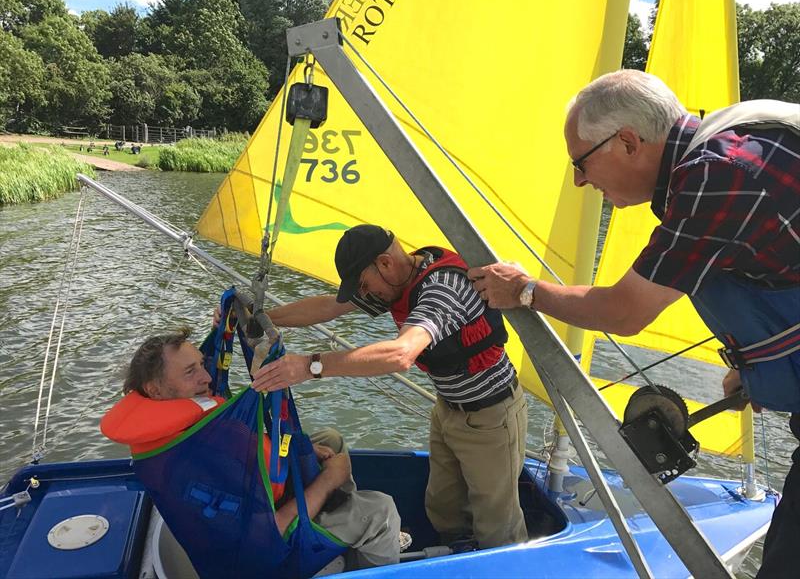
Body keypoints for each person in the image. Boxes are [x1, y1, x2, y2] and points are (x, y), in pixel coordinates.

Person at [467, 69, 799, 577]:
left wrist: (524, 291)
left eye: (580, 163)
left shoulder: (718, 177)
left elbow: (624, 312)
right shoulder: (738, 147)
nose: (580, 180)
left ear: (626, 142)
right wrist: (764, 367)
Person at [251, 224, 529, 550]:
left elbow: (402, 353)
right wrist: (260, 318)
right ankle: (458, 560)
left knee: (498, 527)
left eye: (366, 286)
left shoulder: (443, 289)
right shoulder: (397, 284)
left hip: (491, 416)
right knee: (443, 509)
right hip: (448, 410)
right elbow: (329, 307)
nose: (366, 294)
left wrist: (309, 365)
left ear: (385, 263)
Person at [100, 329, 401, 569]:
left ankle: (345, 529)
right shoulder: (201, 457)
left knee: (329, 439)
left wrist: (223, 326)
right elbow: (268, 535)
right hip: (263, 560)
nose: (206, 378)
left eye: (202, 364)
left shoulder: (173, 439)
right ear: (154, 389)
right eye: (190, 372)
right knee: (382, 510)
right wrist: (329, 481)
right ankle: (358, 543)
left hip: (241, 524)